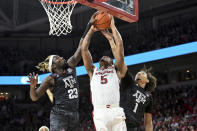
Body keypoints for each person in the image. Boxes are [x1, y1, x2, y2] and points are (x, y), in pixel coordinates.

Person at [81, 14, 127, 131]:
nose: (103, 57)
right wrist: (91, 30)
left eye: (107, 57)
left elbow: (120, 47)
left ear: (112, 62)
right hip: (100, 112)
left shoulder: (116, 70)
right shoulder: (93, 71)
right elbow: (84, 49)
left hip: (116, 110)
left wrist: (113, 28)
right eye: (102, 57)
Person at [28, 36, 83, 131]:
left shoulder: (71, 66)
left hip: (74, 113)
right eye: (57, 58)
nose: (61, 57)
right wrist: (32, 87)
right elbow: (34, 97)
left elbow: (81, 48)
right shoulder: (50, 79)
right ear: (53, 66)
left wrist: (89, 27)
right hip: (60, 114)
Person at [120, 67, 157, 131]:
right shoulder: (129, 83)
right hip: (120, 121)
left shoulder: (149, 96)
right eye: (138, 73)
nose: (139, 74)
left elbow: (148, 122)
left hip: (134, 127)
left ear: (147, 80)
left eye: (143, 73)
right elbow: (122, 66)